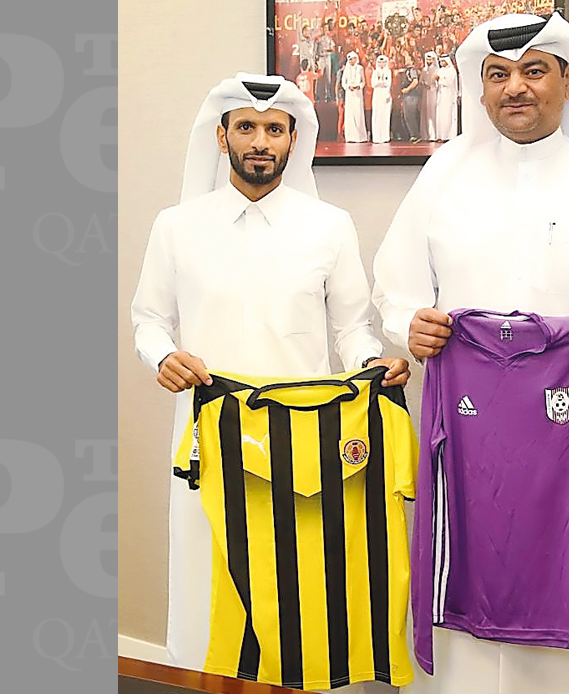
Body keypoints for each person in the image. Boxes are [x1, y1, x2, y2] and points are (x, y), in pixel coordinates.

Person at [372, 12, 569, 694]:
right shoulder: (440, 180)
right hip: (464, 439)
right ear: (480, 91)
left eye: (533, 71)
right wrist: (411, 328)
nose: (515, 88)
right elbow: (394, 293)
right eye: (498, 76)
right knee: (461, 602)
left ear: (567, 81)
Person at [130, 73, 410, 690]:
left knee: (297, 591)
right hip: (210, 436)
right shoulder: (176, 225)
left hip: (306, 450)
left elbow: (354, 331)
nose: (260, 141)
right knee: (206, 580)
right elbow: (150, 319)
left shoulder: (330, 226)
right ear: (221, 137)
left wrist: (374, 366)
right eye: (247, 128)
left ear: (293, 141)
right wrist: (162, 357)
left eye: (274, 130)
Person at [341, 51, 368, 142]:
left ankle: (360, 136)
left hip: (358, 94)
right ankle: (350, 136)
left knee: (358, 114)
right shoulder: (346, 69)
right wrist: (349, 87)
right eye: (350, 59)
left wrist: (359, 86)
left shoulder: (360, 68)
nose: (352, 61)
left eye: (353, 59)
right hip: (349, 94)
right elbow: (343, 83)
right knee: (350, 114)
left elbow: (363, 82)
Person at [396, 51, 421, 142]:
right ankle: (412, 134)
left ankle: (415, 135)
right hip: (407, 96)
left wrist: (407, 89)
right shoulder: (406, 70)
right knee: (406, 116)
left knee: (410, 115)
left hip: (411, 96)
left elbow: (415, 81)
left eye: (407, 57)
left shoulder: (412, 70)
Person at [434, 54, 458, 141]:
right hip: (441, 94)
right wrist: (437, 80)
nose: (441, 63)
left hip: (448, 95)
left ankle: (448, 136)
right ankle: (441, 135)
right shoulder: (441, 70)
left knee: (447, 115)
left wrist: (439, 79)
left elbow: (448, 82)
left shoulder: (452, 71)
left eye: (442, 61)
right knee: (440, 115)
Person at [371, 54, 393, 143]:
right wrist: (381, 83)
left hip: (385, 94)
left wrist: (381, 84)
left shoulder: (388, 72)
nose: (381, 64)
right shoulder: (375, 72)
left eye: (383, 62)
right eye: (379, 62)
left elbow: (388, 83)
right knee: (377, 115)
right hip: (377, 94)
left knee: (385, 115)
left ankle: (384, 137)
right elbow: (373, 84)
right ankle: (376, 137)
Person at [418, 51, 439, 141]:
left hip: (433, 92)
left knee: (433, 113)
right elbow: (420, 81)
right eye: (427, 59)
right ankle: (426, 135)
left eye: (430, 59)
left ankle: (434, 135)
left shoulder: (437, 70)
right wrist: (423, 83)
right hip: (425, 93)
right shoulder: (424, 70)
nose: (428, 61)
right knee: (425, 113)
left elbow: (438, 82)